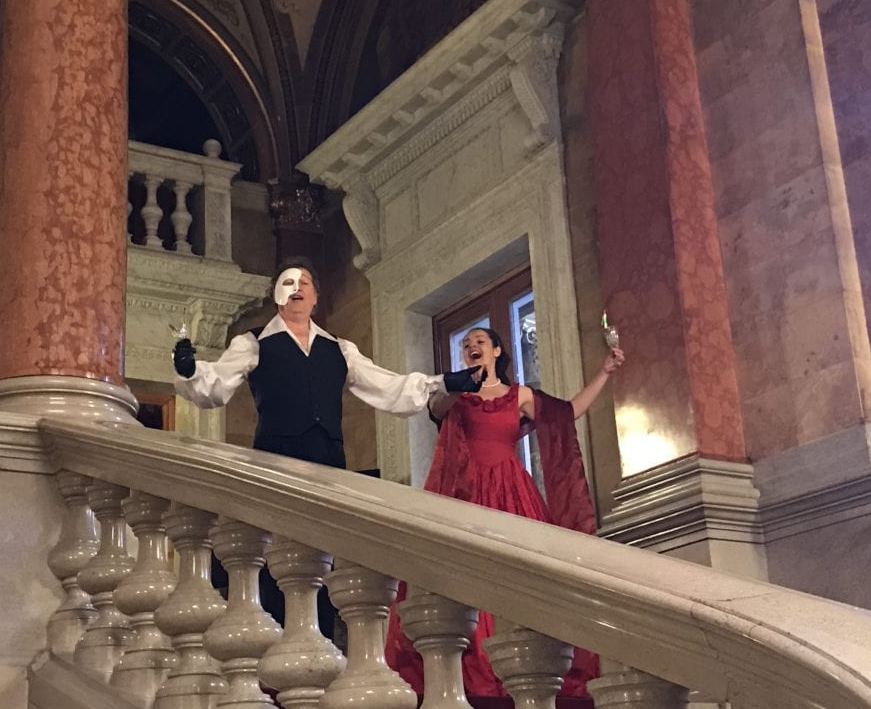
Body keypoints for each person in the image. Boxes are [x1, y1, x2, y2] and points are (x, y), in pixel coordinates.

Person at [172, 258, 487, 635]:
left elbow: (388, 386)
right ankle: (276, 640)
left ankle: (320, 639)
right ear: (277, 295)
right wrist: (190, 371)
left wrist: (444, 382)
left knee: (323, 553)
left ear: (316, 296)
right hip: (277, 459)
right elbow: (215, 384)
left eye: (305, 282)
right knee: (279, 554)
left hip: (328, 462)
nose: (296, 288)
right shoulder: (253, 343)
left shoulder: (339, 348)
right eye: (288, 283)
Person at [385, 325, 624, 699]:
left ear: (497, 350)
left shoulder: (520, 395)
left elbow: (566, 413)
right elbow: (435, 407)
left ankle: (531, 658)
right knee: (471, 577)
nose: (472, 347)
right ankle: (479, 669)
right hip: (467, 494)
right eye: (466, 345)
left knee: (526, 574)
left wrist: (604, 374)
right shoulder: (456, 397)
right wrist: (457, 383)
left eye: (480, 341)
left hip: (513, 492)